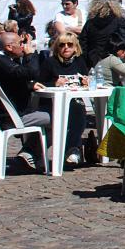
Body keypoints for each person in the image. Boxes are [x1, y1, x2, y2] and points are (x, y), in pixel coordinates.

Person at [0, 31, 50, 171]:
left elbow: (10, 80)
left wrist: (29, 85)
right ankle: (30, 152)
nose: (23, 47)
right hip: (11, 117)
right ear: (9, 47)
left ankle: (31, 154)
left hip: (1, 115)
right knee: (61, 116)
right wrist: (30, 54)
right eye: (20, 44)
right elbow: (32, 73)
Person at [38, 32, 91, 165]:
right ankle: (72, 150)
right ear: (57, 47)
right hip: (51, 103)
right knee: (76, 110)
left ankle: (72, 149)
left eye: (69, 45)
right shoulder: (50, 62)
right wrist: (54, 83)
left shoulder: (80, 61)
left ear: (75, 47)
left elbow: (84, 79)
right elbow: (38, 83)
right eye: (62, 45)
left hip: (72, 101)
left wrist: (86, 82)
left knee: (78, 109)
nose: (66, 48)